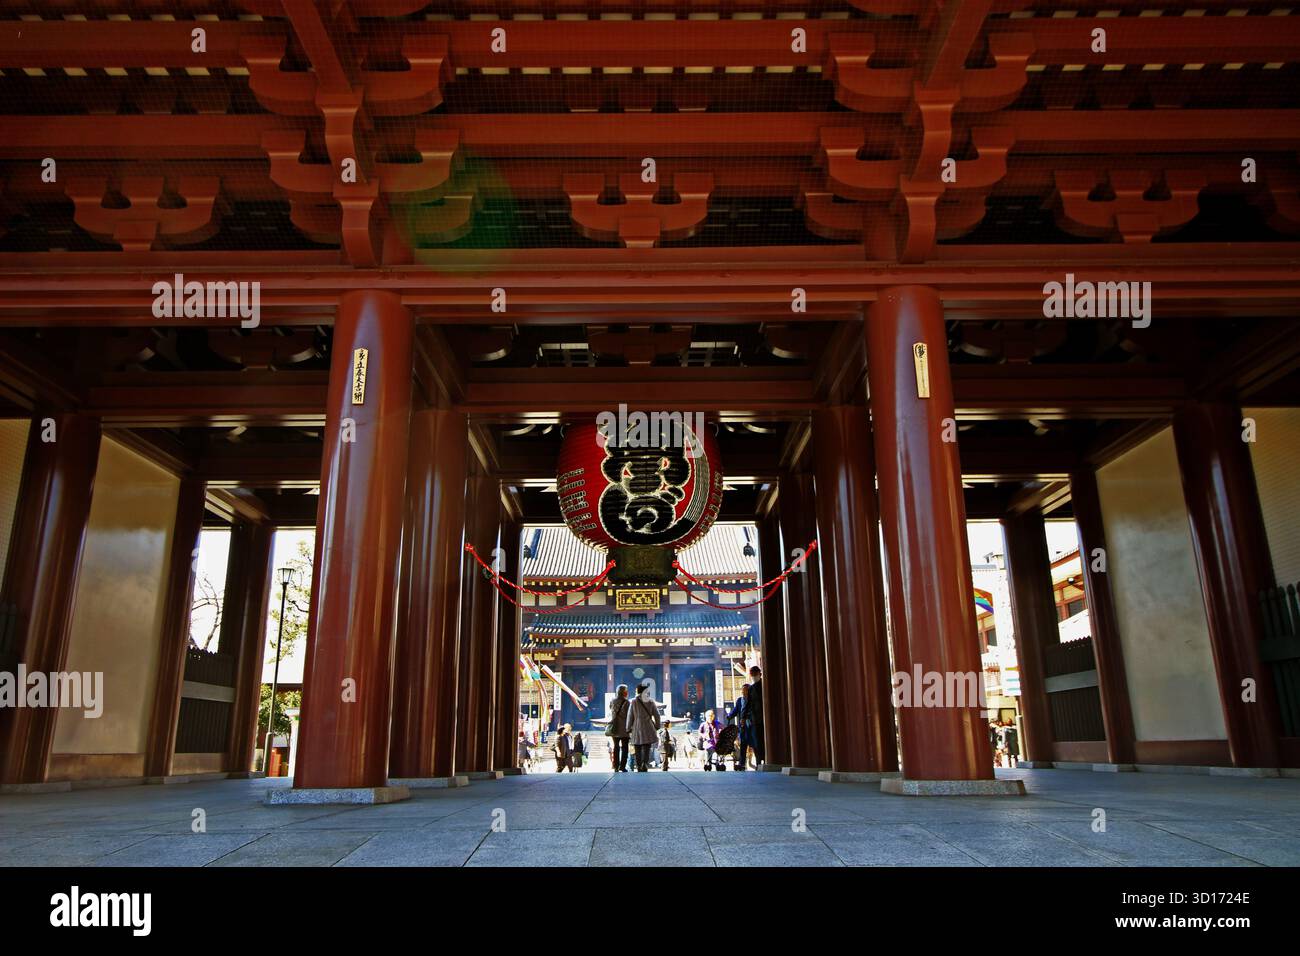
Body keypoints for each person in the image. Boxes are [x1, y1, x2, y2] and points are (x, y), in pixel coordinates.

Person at [627, 683, 661, 772]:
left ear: (637, 691)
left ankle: (638, 765)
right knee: (647, 747)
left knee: (637, 747)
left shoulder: (633, 701)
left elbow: (630, 716)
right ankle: (645, 764)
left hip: (637, 727)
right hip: (648, 726)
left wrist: (628, 727)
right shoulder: (650, 701)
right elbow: (657, 715)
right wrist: (657, 726)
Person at [606, 684, 632, 772]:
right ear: (624, 692)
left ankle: (616, 766)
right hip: (624, 728)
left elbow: (610, 709)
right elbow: (629, 715)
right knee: (625, 748)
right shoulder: (627, 702)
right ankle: (622, 766)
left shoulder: (612, 701)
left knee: (616, 747)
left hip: (615, 727)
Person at [746, 665, 765, 767]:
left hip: (765, 718)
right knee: (756, 741)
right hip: (755, 719)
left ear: (760, 674)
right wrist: (744, 717)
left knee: (764, 740)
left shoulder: (765, 686)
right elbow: (748, 704)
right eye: (752, 675)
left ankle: (765, 759)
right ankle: (758, 761)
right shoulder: (751, 688)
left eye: (755, 674)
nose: (754, 676)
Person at [734, 683, 752, 770]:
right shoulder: (739, 700)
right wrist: (730, 715)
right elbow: (735, 710)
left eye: (746, 690)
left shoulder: (752, 700)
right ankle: (742, 763)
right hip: (742, 726)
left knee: (754, 744)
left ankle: (759, 761)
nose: (744, 692)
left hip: (751, 725)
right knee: (743, 745)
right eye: (743, 690)